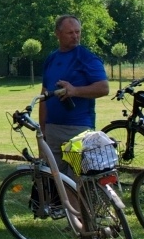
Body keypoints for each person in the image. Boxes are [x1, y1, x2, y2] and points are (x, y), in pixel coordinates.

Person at [39, 15, 110, 168]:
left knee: (77, 180)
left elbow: (104, 88)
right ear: (57, 34)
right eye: (70, 33)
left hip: (78, 129)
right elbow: (44, 94)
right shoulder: (51, 59)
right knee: (53, 180)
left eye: (78, 32)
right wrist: (43, 128)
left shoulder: (87, 57)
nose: (75, 36)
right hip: (52, 129)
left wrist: (75, 91)